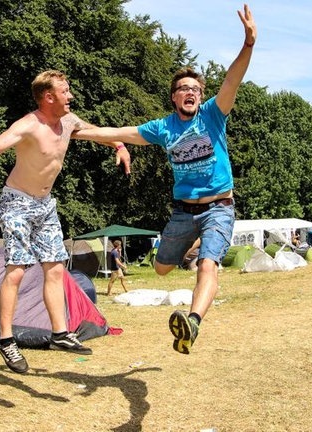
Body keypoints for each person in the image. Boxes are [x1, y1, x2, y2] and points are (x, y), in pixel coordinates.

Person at [72, 4, 257, 354]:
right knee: (160, 269)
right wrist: (75, 132)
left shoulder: (214, 115)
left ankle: (193, 324)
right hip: (182, 213)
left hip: (219, 206)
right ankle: (194, 242)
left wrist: (248, 44)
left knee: (208, 265)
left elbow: (233, 78)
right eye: (183, 89)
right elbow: (119, 131)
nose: (191, 93)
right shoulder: (162, 128)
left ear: (201, 96)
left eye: (196, 89)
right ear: (174, 97)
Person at [0, 70, 130, 373]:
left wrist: (119, 145)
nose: (71, 96)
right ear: (48, 97)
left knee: (55, 266)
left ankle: (60, 333)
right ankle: (7, 340)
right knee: (18, 270)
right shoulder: (28, 125)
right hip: (17, 203)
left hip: (45, 205)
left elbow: (97, 132)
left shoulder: (68, 122)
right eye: (65, 91)